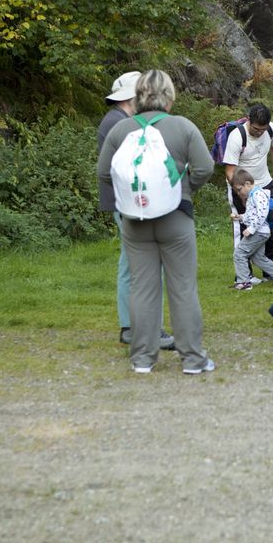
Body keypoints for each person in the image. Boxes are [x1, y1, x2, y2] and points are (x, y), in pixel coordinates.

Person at [97, 70, 215, 374]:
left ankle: (142, 359)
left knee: (142, 289)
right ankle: (192, 359)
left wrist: (129, 198)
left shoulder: (120, 131)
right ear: (170, 96)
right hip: (175, 217)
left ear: (137, 96)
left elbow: (104, 173)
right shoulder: (183, 127)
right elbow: (204, 168)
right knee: (182, 288)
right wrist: (182, 187)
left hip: (134, 220)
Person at [96, 71, 174, 351]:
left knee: (130, 266)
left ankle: (130, 326)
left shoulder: (116, 120)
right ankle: (148, 328)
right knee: (148, 267)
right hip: (131, 205)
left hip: (124, 203)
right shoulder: (122, 123)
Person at [223, 103, 273, 280]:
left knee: (270, 225)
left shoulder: (270, 130)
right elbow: (229, 171)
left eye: (262, 130)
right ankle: (244, 275)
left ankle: (272, 272)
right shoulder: (237, 137)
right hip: (241, 187)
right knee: (243, 227)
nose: (259, 133)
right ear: (249, 120)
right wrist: (241, 193)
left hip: (265, 184)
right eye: (256, 129)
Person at [229, 168, 273, 290]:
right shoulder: (253, 195)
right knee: (257, 258)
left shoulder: (258, 195)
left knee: (239, 253)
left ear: (247, 184)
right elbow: (252, 215)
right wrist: (240, 217)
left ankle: (243, 282)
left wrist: (251, 229)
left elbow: (262, 214)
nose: (238, 193)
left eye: (239, 190)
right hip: (260, 232)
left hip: (258, 232)